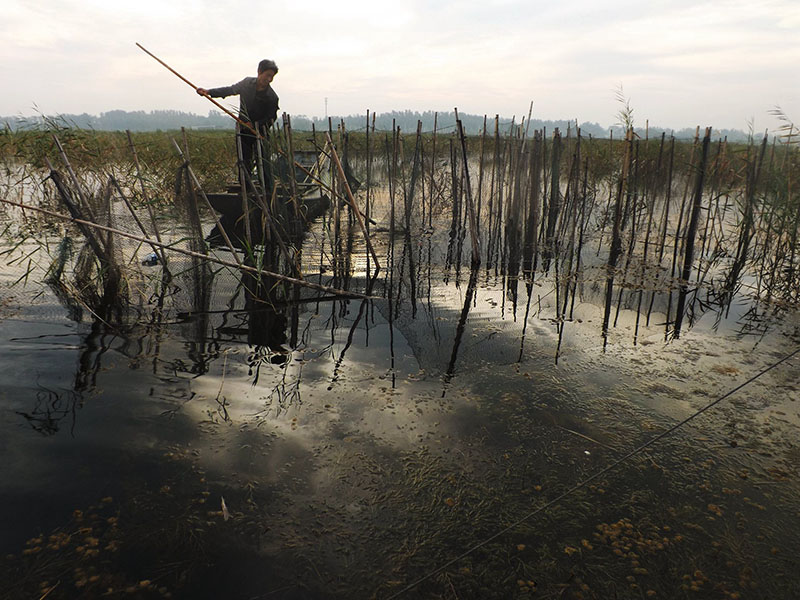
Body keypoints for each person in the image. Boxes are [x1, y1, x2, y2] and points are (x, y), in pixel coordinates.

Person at [197, 59, 280, 179]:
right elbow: (230, 90)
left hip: (260, 133)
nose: (269, 79)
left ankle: (266, 191)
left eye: (272, 77)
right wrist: (209, 92)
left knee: (263, 162)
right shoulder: (246, 84)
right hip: (243, 131)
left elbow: (271, 117)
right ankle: (245, 189)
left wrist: (255, 125)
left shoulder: (272, 97)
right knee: (244, 162)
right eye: (267, 75)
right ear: (259, 72)